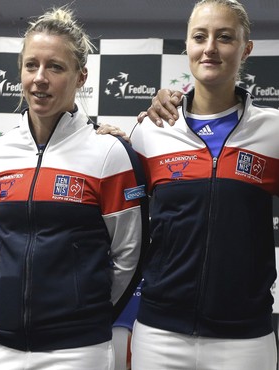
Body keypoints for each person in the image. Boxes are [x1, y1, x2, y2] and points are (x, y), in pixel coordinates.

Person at [0, 6, 147, 370]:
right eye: (31, 65)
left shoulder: (109, 152)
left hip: (76, 348)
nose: (40, 78)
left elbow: (129, 256)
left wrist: (84, 309)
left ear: (81, 77)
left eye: (55, 67)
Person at [128, 1, 279, 368]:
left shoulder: (274, 131)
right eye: (200, 37)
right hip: (160, 335)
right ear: (187, 46)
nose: (210, 47)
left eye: (224, 38)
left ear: (245, 49)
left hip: (244, 338)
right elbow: (122, 225)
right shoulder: (151, 130)